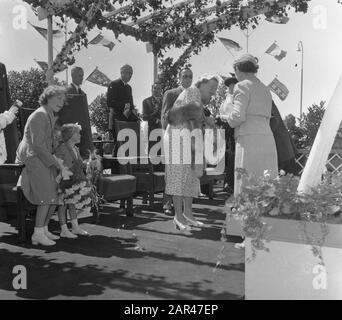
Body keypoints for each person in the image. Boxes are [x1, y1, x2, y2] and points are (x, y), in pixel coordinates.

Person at [165, 74, 219, 231]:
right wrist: (207, 121)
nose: (213, 92)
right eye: (211, 88)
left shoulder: (196, 97)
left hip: (186, 138)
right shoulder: (193, 91)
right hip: (178, 138)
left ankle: (188, 213)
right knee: (179, 175)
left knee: (190, 176)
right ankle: (178, 215)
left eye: (215, 89)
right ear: (201, 84)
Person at [16, 85, 67, 246]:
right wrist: (54, 162)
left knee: (54, 191)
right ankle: (37, 233)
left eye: (63, 100)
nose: (62, 102)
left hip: (41, 156)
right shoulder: (39, 115)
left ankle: (43, 228)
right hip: (33, 156)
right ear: (48, 97)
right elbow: (37, 145)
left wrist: (56, 162)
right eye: (59, 98)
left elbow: (47, 144)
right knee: (47, 192)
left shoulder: (48, 115)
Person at [160, 67, 193, 216]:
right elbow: (164, 117)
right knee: (172, 171)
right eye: (184, 76)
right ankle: (167, 203)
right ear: (179, 78)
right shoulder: (171, 93)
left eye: (189, 76)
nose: (187, 78)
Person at [55, 123, 91, 238]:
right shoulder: (61, 148)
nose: (80, 135)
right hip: (64, 181)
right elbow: (57, 164)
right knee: (62, 205)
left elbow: (79, 163)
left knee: (71, 203)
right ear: (70, 135)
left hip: (72, 181)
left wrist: (87, 164)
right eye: (78, 133)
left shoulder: (75, 148)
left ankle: (75, 227)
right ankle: (64, 229)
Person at [58, 66, 94, 159]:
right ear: (72, 76)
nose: (82, 78)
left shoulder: (83, 94)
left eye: (82, 75)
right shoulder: (65, 92)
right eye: (79, 75)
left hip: (83, 135)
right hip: (71, 135)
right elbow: (60, 113)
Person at [218, 75, 238, 194]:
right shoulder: (226, 99)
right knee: (228, 156)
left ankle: (231, 184)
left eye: (233, 85)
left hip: (234, 129)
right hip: (226, 130)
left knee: (233, 156)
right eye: (229, 86)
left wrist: (223, 117)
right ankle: (229, 183)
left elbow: (234, 115)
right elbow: (222, 112)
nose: (230, 87)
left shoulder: (237, 98)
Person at [270, 101, 299, 175]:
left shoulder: (268, 102)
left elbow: (274, 122)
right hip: (283, 146)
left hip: (281, 146)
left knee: (289, 176)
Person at [142, 83, 163, 153]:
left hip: (164, 130)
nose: (156, 90)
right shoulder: (146, 101)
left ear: (161, 90)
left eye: (158, 88)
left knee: (163, 153)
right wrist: (156, 120)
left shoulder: (165, 101)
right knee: (152, 152)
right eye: (155, 88)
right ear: (152, 89)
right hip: (152, 129)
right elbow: (144, 116)